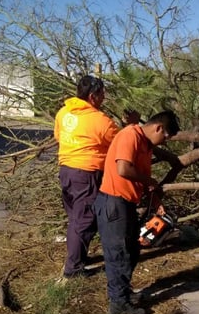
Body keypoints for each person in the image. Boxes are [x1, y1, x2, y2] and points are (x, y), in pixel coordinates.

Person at [95, 110, 180, 314]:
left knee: (132, 250)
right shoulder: (130, 135)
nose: (165, 142)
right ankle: (118, 305)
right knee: (119, 253)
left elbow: (142, 181)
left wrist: (156, 201)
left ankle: (123, 293)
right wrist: (149, 181)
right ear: (158, 127)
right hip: (113, 202)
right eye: (166, 136)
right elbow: (123, 169)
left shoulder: (145, 144)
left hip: (126, 204)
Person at [54, 75, 139, 278]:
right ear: (93, 96)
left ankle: (77, 258)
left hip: (66, 171)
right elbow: (121, 145)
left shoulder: (63, 112)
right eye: (102, 94)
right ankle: (73, 270)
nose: (104, 99)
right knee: (83, 221)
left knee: (76, 218)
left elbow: (59, 136)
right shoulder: (100, 121)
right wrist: (132, 125)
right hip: (86, 174)